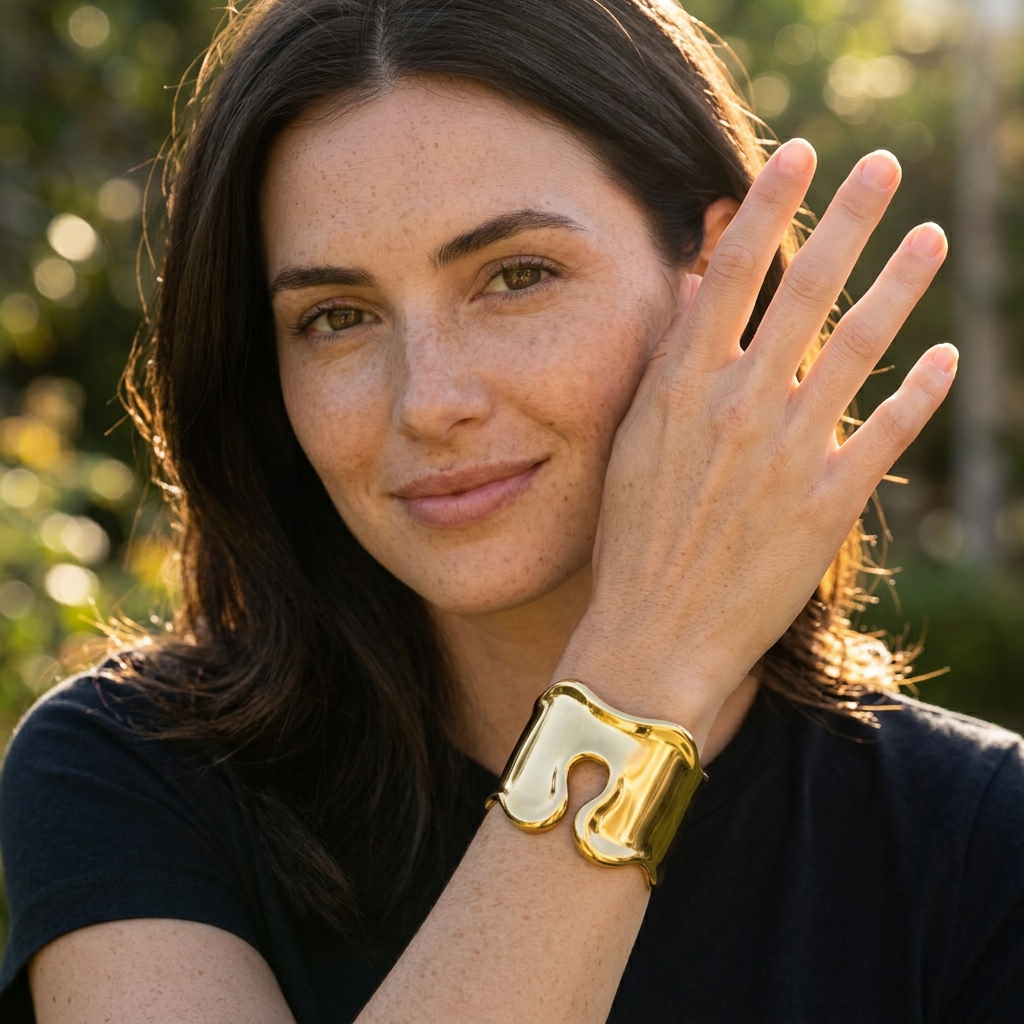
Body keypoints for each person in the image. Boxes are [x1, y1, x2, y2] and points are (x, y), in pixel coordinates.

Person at [2, 0, 1023, 1020]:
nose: (428, 400)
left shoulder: (980, 845)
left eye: (517, 276)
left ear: (719, 275)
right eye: (336, 317)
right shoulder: (129, 773)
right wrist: (644, 669)